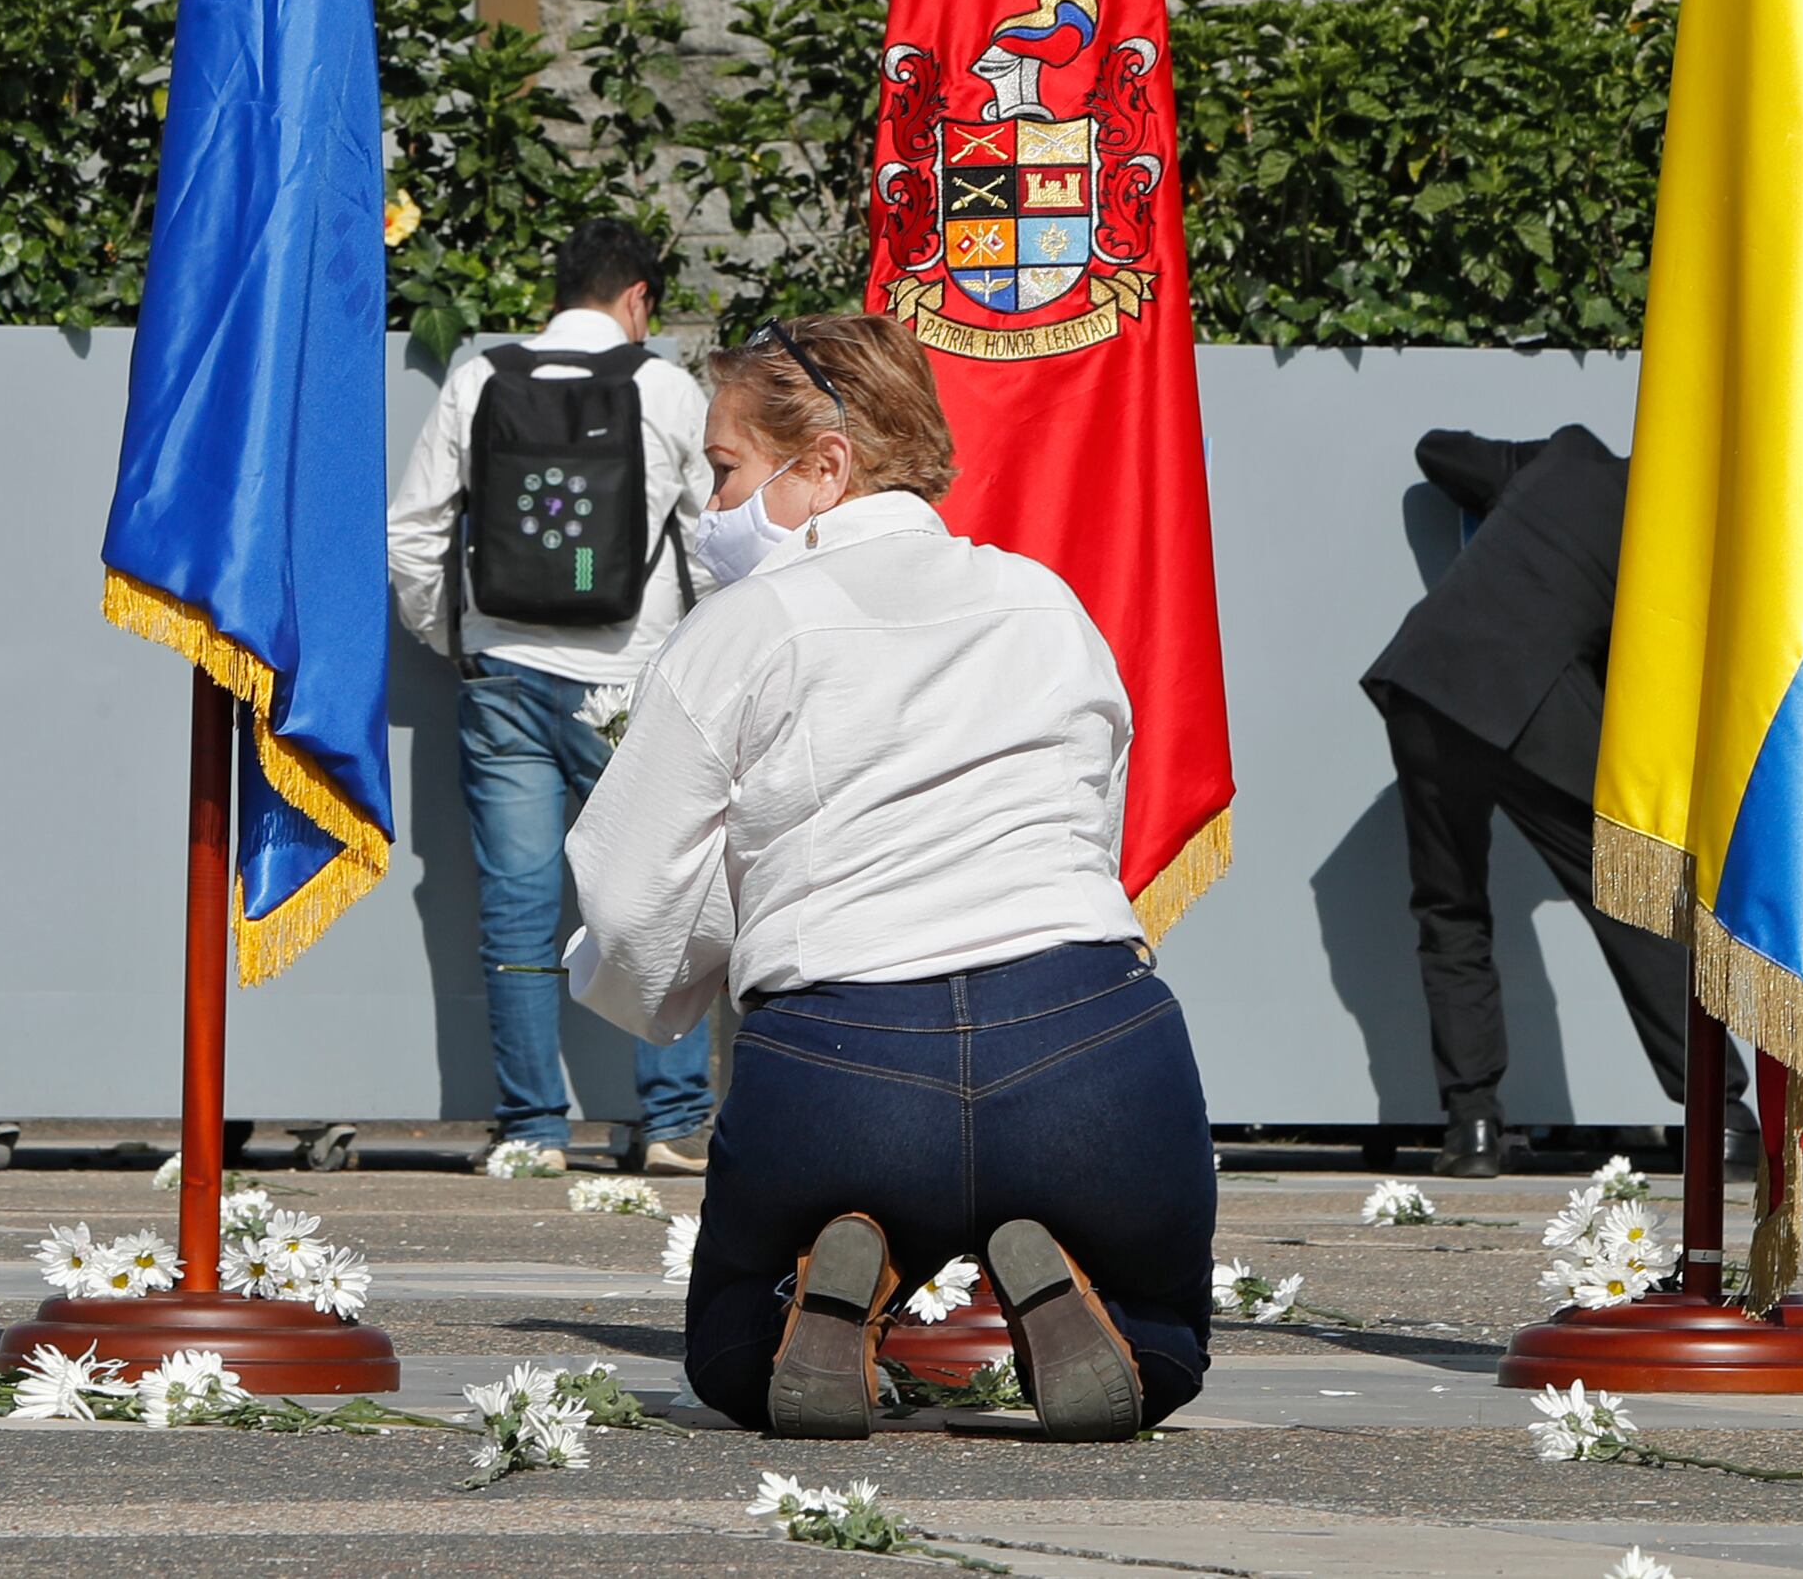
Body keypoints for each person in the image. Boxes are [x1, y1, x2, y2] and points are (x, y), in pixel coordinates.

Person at [567, 313, 1211, 1442]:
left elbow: (629, 900)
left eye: (725, 471)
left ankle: (829, 1280)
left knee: (732, 1354)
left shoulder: (743, 627)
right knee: (1161, 1342)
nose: (711, 509)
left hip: (843, 1057)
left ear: (825, 465)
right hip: (1086, 1039)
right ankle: (1073, 1277)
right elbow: (1091, 833)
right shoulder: (1046, 603)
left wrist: (665, 993)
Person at [387, 219, 715, 1174]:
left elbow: (412, 534)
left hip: (503, 679)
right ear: (638, 297)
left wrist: (457, 640)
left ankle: (533, 1130)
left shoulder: (478, 380)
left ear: (559, 289)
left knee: (517, 902)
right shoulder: (665, 388)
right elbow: (714, 540)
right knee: (655, 894)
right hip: (633, 683)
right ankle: (674, 1122)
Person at [1361, 423, 1695, 1174]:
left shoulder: (1568, 455)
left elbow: (1435, 450)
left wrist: (1519, 478)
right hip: (1536, 701)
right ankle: (1724, 1121)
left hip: (1424, 684)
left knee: (1450, 910)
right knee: (1635, 903)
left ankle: (1471, 1128)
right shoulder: (1670, 539)